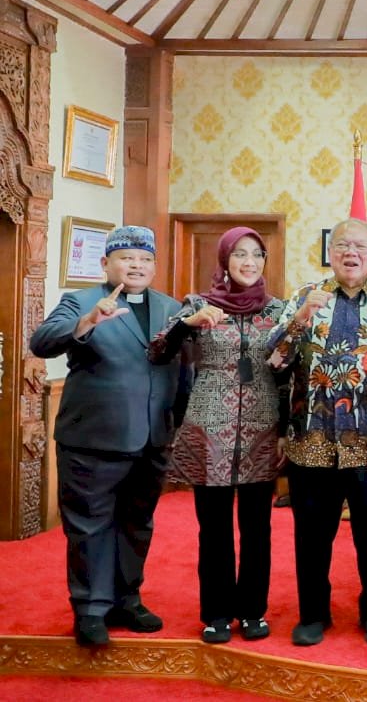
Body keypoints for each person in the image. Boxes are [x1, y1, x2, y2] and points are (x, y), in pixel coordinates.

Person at [266, 218, 367, 647]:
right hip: (311, 441)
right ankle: (313, 614)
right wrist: (299, 320)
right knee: (312, 536)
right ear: (330, 253)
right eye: (342, 245)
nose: (351, 253)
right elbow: (275, 362)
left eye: (360, 246)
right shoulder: (304, 297)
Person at [30, 226, 181, 647]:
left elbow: (181, 371)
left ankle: (127, 599)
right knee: (89, 526)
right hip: (92, 440)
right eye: (127, 258)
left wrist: (176, 424)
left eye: (145, 259)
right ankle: (91, 609)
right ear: (106, 263)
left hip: (152, 439)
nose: (137, 266)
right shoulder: (80, 302)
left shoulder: (171, 308)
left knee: (137, 524)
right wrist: (88, 322)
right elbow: (41, 342)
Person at [148, 227, 289, 644]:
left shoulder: (277, 310)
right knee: (213, 529)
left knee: (257, 528)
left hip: (262, 427)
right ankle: (216, 613)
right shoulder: (198, 304)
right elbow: (158, 352)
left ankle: (253, 611)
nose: (250, 262)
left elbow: (289, 374)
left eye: (257, 254)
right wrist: (186, 324)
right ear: (225, 260)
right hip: (209, 428)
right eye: (240, 254)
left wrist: (287, 426)